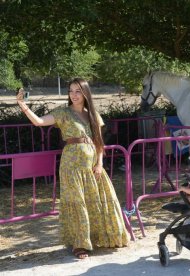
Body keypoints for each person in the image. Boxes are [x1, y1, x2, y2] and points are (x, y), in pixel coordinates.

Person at [16, 79, 128, 259]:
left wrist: (99, 164)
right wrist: (23, 105)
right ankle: (80, 244)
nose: (74, 95)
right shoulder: (63, 113)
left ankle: (101, 237)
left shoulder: (93, 115)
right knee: (78, 204)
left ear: (85, 93)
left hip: (92, 166)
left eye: (78, 91)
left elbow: (99, 143)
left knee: (100, 201)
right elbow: (38, 122)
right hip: (71, 167)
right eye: (71, 91)